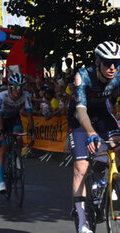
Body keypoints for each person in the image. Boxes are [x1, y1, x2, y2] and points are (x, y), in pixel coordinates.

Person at [68, 41, 120, 233]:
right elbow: (81, 111)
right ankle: (82, 220)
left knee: (117, 147)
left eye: (116, 62)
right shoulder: (83, 76)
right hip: (80, 119)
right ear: (98, 61)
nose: (112, 67)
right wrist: (91, 134)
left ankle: (104, 182)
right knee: (81, 167)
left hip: (103, 115)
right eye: (108, 62)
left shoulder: (118, 75)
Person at [0, 72, 35, 193]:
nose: (17, 91)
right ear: (10, 87)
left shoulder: (26, 95)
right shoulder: (2, 96)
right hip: (1, 120)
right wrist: (1, 132)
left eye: (20, 88)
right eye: (14, 87)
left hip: (14, 119)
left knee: (18, 137)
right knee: (2, 149)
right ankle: (1, 181)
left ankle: (17, 156)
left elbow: (29, 116)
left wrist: (31, 130)